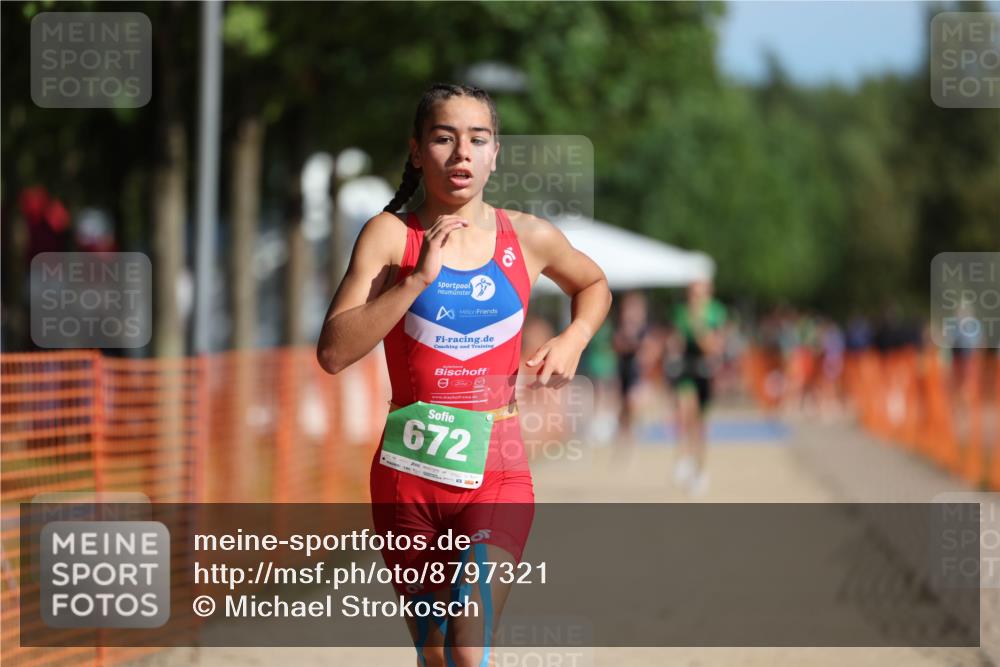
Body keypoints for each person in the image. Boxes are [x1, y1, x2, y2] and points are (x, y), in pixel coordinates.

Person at [316, 83, 610, 667]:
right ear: (417, 150)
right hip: (408, 476)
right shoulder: (389, 236)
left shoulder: (528, 236)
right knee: (437, 656)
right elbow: (333, 352)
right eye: (444, 138)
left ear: (495, 153)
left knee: (468, 649)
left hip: (497, 471)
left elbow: (594, 284)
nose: (461, 154)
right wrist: (416, 281)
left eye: (477, 139)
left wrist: (574, 338)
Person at [665, 280, 726, 496]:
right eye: (692, 293)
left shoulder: (715, 312)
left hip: (705, 370)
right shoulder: (681, 312)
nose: (695, 298)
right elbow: (677, 341)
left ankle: (700, 469)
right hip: (686, 369)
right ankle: (683, 457)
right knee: (684, 411)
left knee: (700, 425)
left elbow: (713, 346)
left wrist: (698, 326)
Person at [611, 290, 649, 443]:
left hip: (636, 372)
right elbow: (618, 345)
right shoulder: (621, 329)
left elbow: (646, 350)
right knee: (624, 403)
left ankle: (631, 429)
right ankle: (623, 430)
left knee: (633, 401)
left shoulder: (643, 330)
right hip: (624, 371)